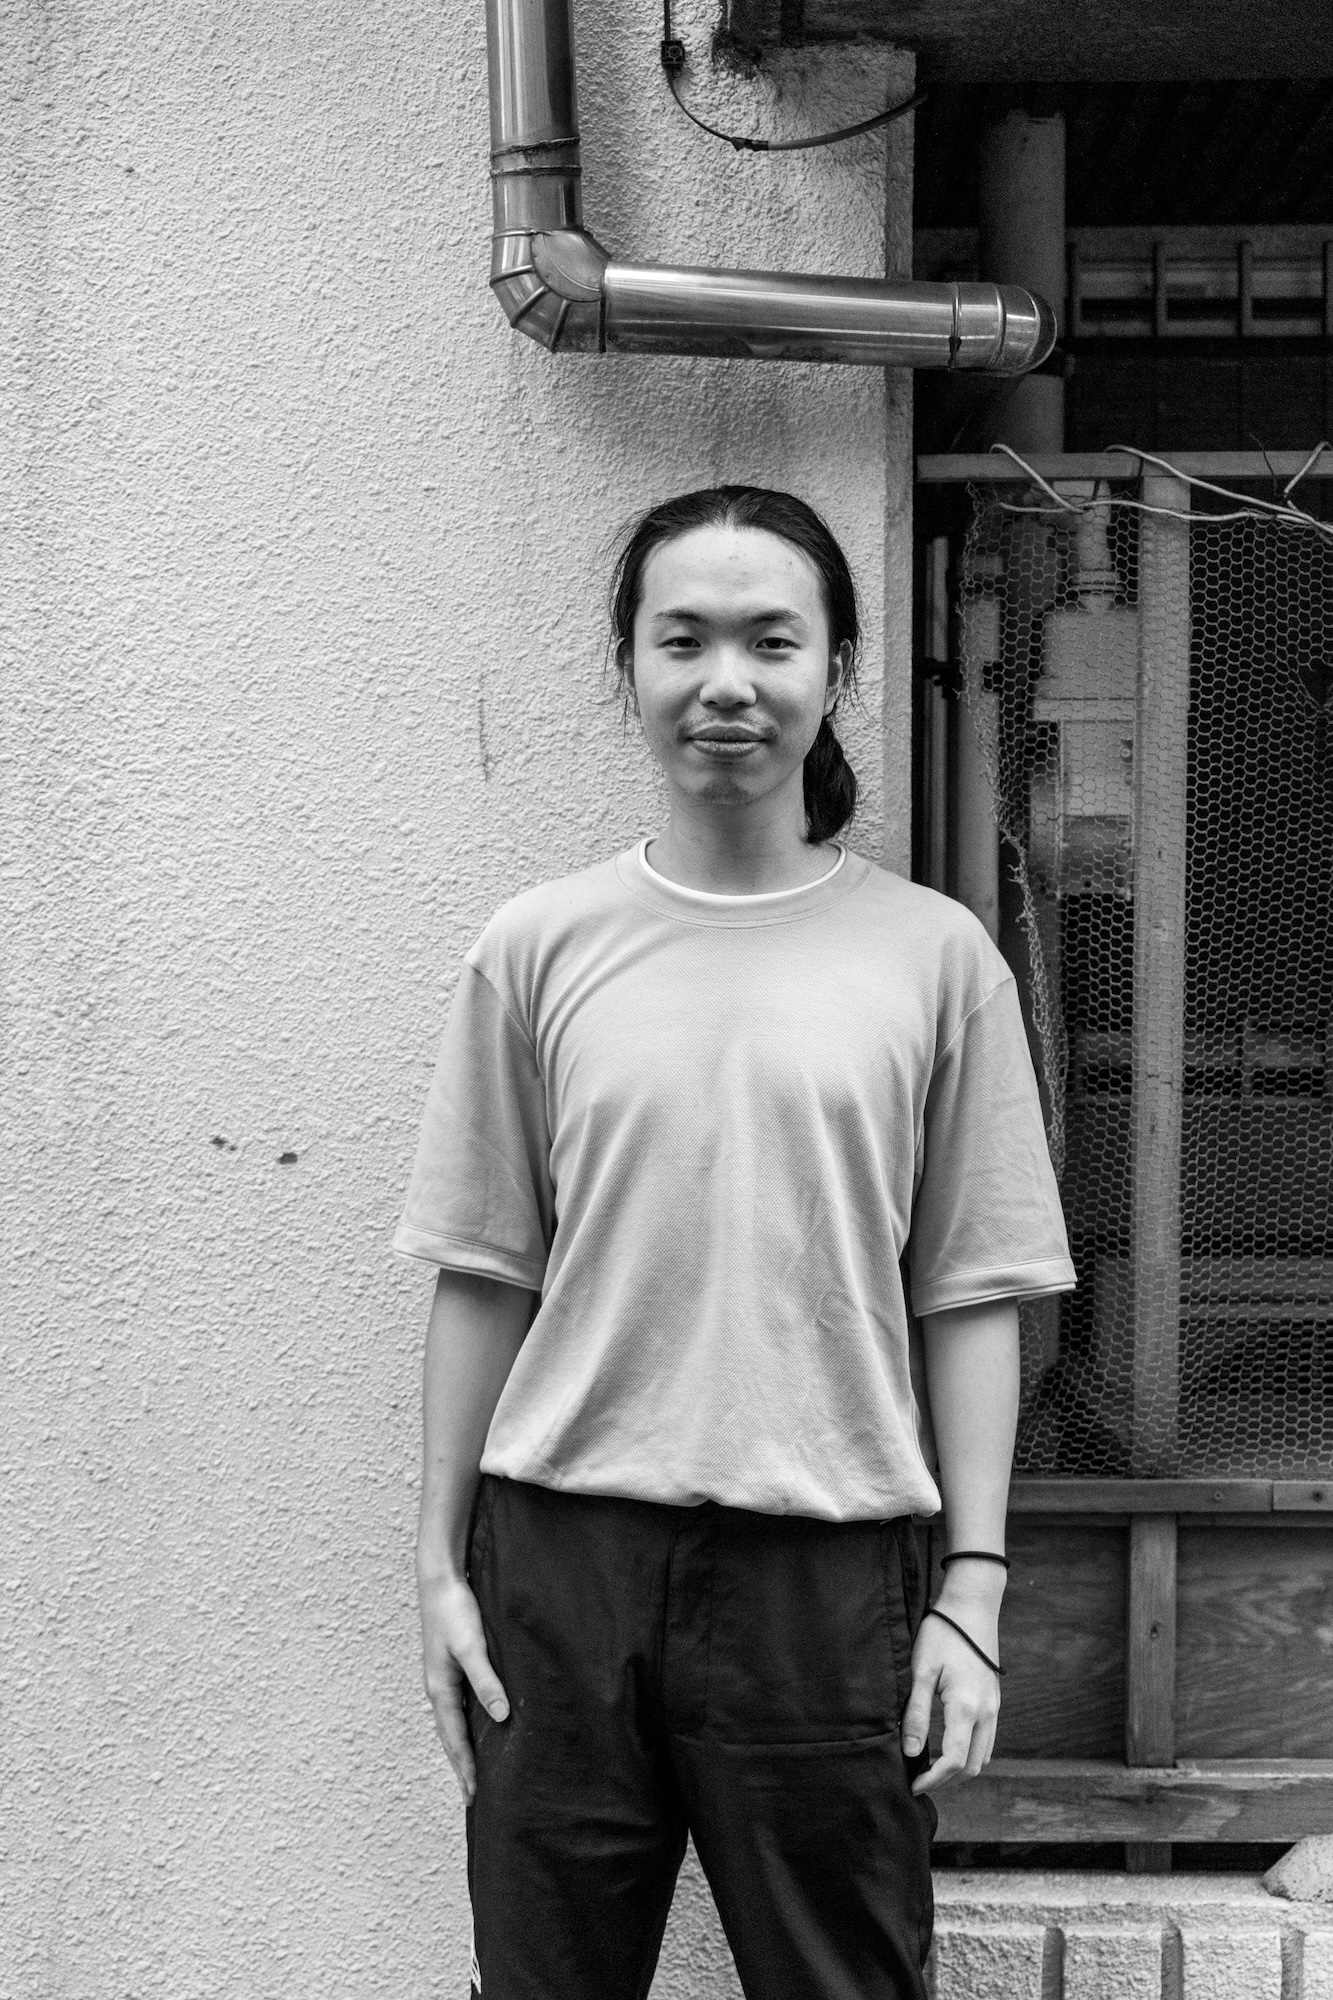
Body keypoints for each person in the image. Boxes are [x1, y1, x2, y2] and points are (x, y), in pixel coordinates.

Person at [394, 486, 1075, 2000]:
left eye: (772, 641)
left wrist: (972, 1586)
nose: (727, 681)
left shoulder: (934, 957)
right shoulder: (538, 948)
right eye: (682, 639)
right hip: (559, 1566)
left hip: (825, 1574)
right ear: (628, 666)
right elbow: (484, 1268)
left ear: (834, 669)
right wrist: (437, 1567)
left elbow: (971, 1293)